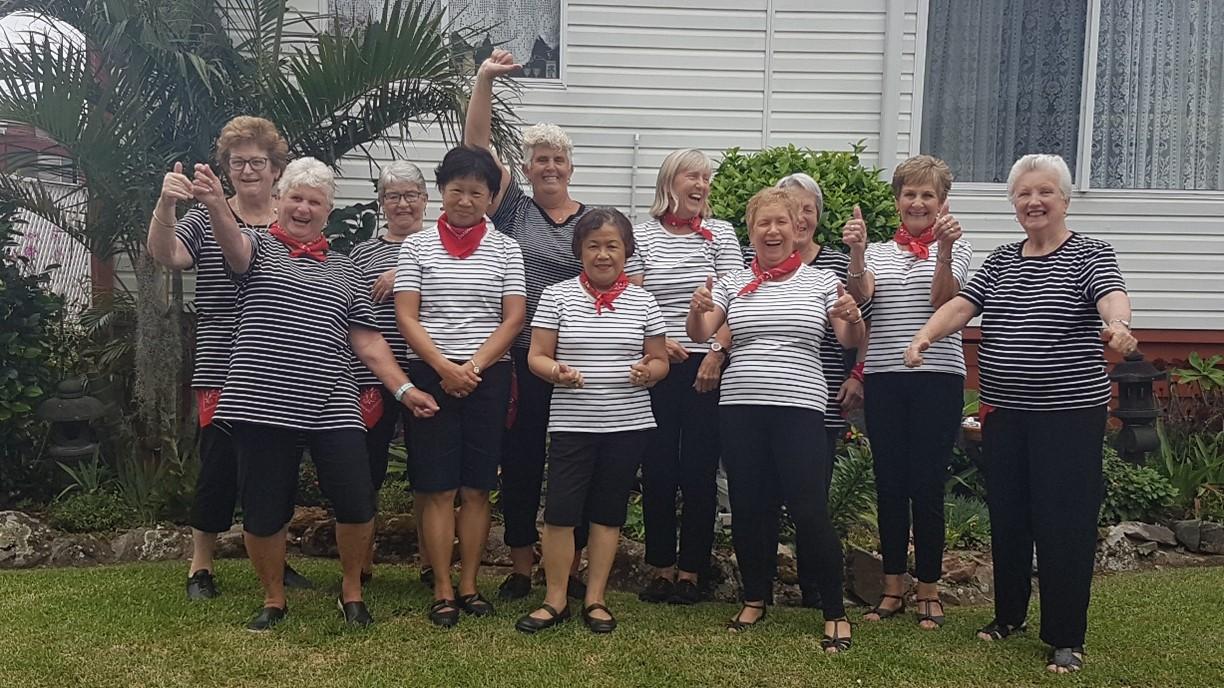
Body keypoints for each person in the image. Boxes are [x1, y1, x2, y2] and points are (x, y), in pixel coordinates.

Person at [904, 153, 1137, 673]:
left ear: (1064, 199)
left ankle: (1064, 637)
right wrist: (925, 334)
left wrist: (1119, 325)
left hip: (1068, 415)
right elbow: (962, 305)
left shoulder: (1090, 254)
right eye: (1024, 194)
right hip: (1005, 413)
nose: (1033, 202)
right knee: (1009, 519)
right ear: (1014, 203)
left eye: (1044, 192)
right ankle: (1008, 615)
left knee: (1064, 524)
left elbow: (1110, 298)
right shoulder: (1002, 260)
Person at [190, 157, 439, 631]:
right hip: (259, 399)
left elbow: (367, 340)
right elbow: (232, 245)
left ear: (328, 212)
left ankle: (351, 590)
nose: (304, 209)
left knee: (356, 499)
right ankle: (273, 598)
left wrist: (403, 389)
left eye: (316, 203)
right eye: (297, 198)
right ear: (280, 201)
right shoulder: (255, 248)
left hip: (333, 400)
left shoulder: (346, 270)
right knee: (264, 510)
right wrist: (215, 205)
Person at [688, 188, 865, 653]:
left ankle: (834, 612)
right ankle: (754, 598)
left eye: (780, 223)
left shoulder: (821, 282)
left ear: (796, 229)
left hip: (801, 407)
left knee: (810, 511)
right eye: (762, 224)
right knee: (749, 507)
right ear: (751, 231)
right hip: (741, 407)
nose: (772, 231)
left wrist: (853, 317)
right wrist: (697, 310)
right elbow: (702, 333)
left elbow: (848, 337)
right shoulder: (731, 281)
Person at [145, 115, 312, 599]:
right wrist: (167, 202)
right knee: (217, 465)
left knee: (278, 467)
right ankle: (201, 566)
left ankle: (276, 560)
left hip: (284, 360)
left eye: (258, 162)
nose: (248, 170)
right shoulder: (204, 216)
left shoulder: (292, 218)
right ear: (226, 167)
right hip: (222, 358)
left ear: (276, 168)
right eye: (238, 162)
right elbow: (167, 255)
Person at [464, 48, 592, 601]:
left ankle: (572, 563)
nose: (549, 168)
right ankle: (520, 565)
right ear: (526, 167)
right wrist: (485, 80)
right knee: (519, 461)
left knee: (577, 461)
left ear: (570, 168)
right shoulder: (512, 209)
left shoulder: (595, 221)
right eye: (539, 159)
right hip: (519, 354)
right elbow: (474, 149)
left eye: (557, 160)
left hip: (579, 356)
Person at [514, 208, 669, 634]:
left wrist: (648, 372)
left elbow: (660, 362)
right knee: (561, 513)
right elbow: (536, 356)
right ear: (580, 251)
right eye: (593, 246)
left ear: (626, 252)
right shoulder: (557, 295)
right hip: (572, 424)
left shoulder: (644, 300)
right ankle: (555, 599)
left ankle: (596, 599)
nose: (603, 255)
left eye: (612, 246)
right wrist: (556, 372)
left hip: (627, 423)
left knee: (607, 512)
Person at [395, 145, 526, 627]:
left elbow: (513, 317)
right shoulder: (417, 246)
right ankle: (443, 587)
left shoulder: (506, 248)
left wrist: (471, 367)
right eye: (457, 190)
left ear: (491, 197)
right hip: (430, 375)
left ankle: (470, 584)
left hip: (487, 375)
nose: (466, 200)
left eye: (477, 191)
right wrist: (444, 368)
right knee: (436, 487)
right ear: (442, 192)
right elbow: (406, 314)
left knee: (475, 488)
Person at [843, 154, 972, 629]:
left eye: (927, 195)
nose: (918, 202)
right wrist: (857, 254)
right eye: (910, 194)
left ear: (942, 202)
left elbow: (944, 300)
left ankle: (929, 590)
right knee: (891, 483)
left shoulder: (959, 244)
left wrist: (941, 250)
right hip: (884, 377)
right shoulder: (877, 251)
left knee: (927, 484)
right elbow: (861, 298)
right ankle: (892, 586)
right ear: (897, 200)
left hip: (938, 377)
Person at [624, 149, 741, 605]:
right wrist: (659, 342)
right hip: (658, 364)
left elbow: (736, 297)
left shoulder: (722, 234)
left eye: (706, 178)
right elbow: (632, 295)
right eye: (692, 176)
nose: (701, 184)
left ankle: (691, 571)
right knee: (657, 468)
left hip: (707, 367)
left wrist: (716, 350)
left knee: (699, 469)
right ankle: (659, 568)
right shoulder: (642, 234)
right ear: (669, 182)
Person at [768, 173, 866, 609]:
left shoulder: (833, 268)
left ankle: (813, 588)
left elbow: (863, 320)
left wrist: (857, 375)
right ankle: (761, 585)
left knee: (812, 500)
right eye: (793, 208)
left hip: (821, 400)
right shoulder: (760, 265)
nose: (801, 217)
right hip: (770, 401)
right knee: (765, 496)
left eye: (809, 208)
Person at [348, 160, 428, 585]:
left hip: (426, 373)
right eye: (393, 196)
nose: (402, 203)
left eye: (410, 195)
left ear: (425, 200)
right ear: (381, 203)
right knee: (368, 469)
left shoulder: (438, 247)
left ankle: (429, 563)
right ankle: (361, 562)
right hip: (371, 377)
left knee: (427, 472)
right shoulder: (361, 253)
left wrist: (404, 271)